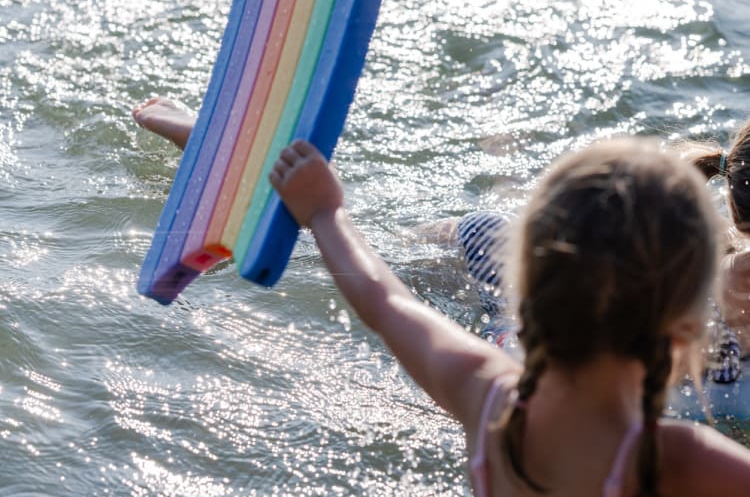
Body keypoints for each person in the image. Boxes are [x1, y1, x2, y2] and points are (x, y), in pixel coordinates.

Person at [266, 135, 750, 497]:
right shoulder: (672, 462)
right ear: (689, 330)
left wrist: (323, 211)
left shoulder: (488, 395)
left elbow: (383, 300)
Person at [132, 98, 750, 372]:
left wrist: (324, 215)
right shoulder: (688, 286)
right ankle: (237, 156)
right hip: (498, 258)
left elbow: (387, 309)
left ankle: (278, 179)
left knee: (358, 249)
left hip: (543, 260)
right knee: (362, 255)